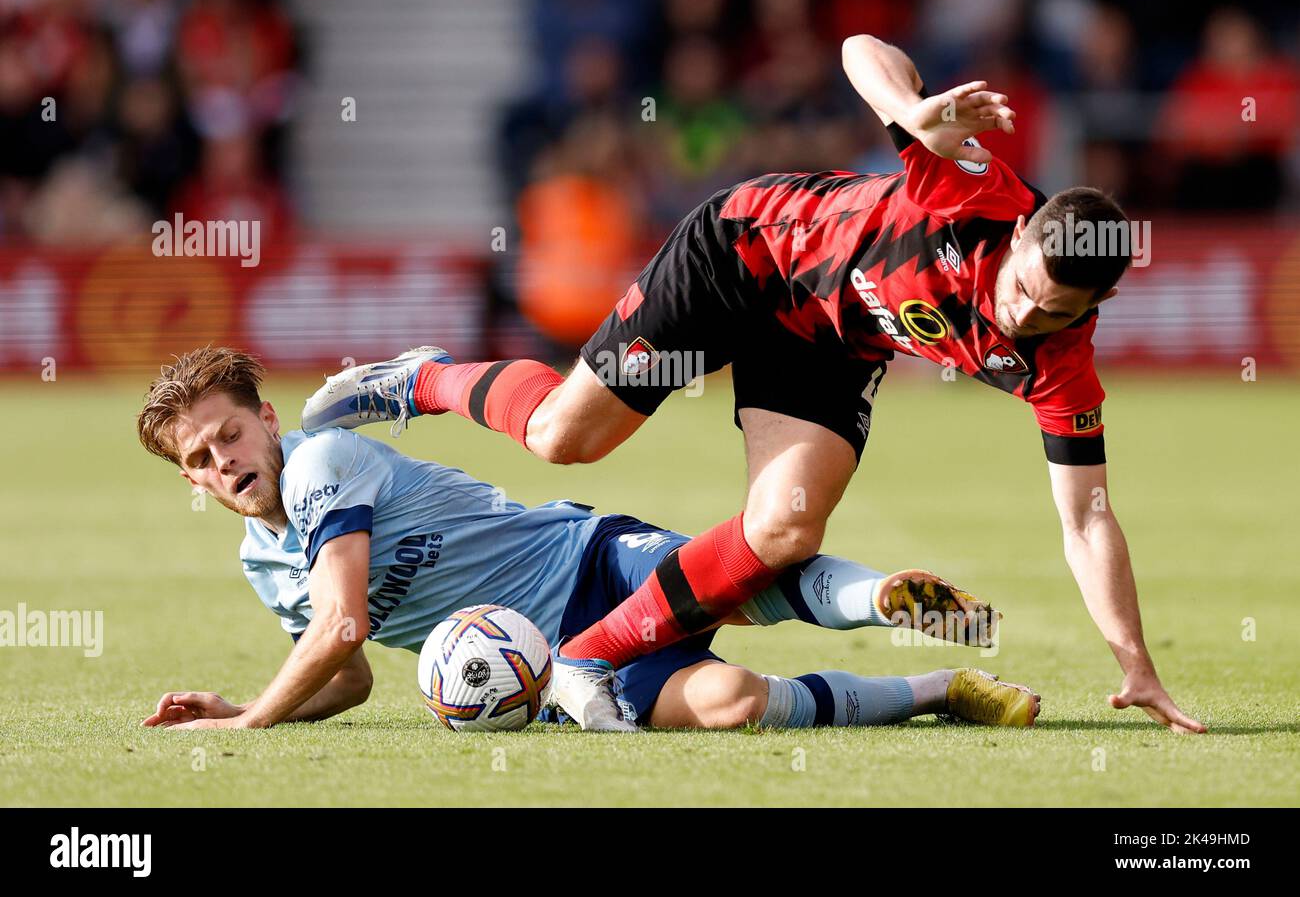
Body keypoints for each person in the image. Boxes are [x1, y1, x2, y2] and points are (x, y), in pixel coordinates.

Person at [302, 35, 1203, 735]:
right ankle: (421, 379)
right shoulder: (971, 190)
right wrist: (915, 107)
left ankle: (586, 656)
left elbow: (1086, 515)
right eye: (1019, 289)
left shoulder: (1062, 362)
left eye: (1048, 313)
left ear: (1097, 301)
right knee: (564, 439)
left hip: (829, 340)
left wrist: (1135, 660)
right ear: (1024, 239)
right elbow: (860, 51)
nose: (1020, 317)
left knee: (784, 527)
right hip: (744, 253)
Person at [136, 346, 1037, 732]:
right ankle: (941, 687)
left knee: (749, 579)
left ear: (266, 418)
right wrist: (247, 705)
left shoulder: (322, 459)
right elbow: (352, 676)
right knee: (733, 705)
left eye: (230, 435)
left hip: (584, 558)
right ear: (189, 479)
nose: (224, 461)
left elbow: (342, 629)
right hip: (561, 660)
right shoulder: (262, 562)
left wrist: (252, 724)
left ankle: (882, 599)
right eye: (202, 457)